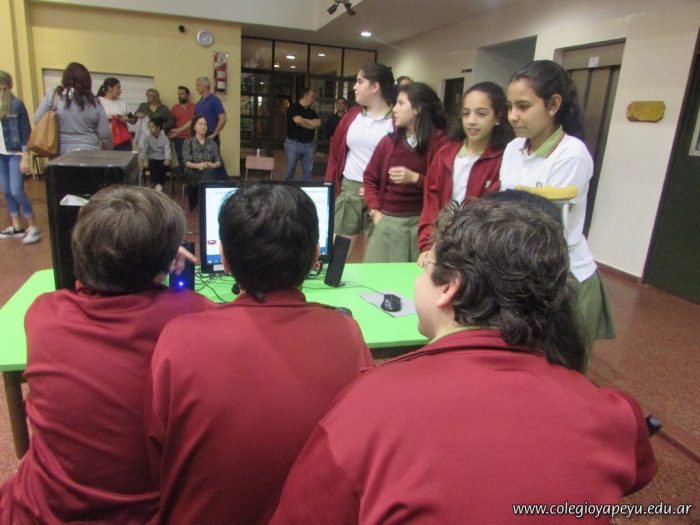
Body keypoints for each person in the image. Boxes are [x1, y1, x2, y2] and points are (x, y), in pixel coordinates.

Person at [270, 194, 657, 524]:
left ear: (449, 288)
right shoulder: (612, 413)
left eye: (427, 267)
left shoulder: (367, 404)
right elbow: (636, 471)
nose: (418, 279)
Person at [147, 183, 374, 524]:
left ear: (224, 258)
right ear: (315, 255)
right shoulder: (347, 334)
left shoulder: (179, 339)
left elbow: (157, 456)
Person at [0, 186, 214, 524]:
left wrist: (156, 262)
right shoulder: (194, 315)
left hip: (37, 510)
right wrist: (167, 271)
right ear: (164, 263)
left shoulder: (44, 314)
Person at [500, 59, 615, 358]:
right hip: (527, 272)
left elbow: (544, 228)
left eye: (523, 106)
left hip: (565, 279)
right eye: (510, 106)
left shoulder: (571, 154)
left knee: (562, 369)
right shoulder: (513, 148)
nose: (513, 116)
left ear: (553, 105)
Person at [417, 81, 514, 264]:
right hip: (440, 247)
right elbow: (431, 204)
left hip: (479, 253)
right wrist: (429, 246)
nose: (472, 120)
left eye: (481, 113)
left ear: (497, 117)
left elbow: (493, 214)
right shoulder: (445, 154)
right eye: (466, 113)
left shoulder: (503, 159)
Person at [363, 82, 447, 262]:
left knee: (414, 275)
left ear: (417, 109)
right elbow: (369, 178)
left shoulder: (440, 143)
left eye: (401, 103)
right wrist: (375, 211)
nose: (394, 109)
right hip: (387, 222)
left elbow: (444, 187)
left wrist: (416, 178)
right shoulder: (388, 143)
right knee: (375, 273)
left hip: (421, 225)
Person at [325, 63, 395, 255]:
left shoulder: (396, 121)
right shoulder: (351, 116)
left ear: (375, 87)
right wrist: (330, 186)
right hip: (349, 191)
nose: (355, 87)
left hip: (381, 197)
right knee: (337, 255)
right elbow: (335, 154)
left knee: (377, 257)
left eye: (360, 81)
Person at [34, 62, 112, 155]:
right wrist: (110, 151)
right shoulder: (95, 102)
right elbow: (105, 135)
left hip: (61, 152)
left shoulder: (54, 97)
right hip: (90, 152)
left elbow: (37, 119)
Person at [0, 71, 41, 244]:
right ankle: (17, 226)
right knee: (7, 191)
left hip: (15, 154)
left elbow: (25, 131)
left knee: (17, 190)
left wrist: (25, 156)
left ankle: (33, 227)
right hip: (1, 155)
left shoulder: (16, 104)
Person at [182, 115, 223, 210]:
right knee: (209, 175)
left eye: (205, 124)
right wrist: (198, 165)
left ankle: (201, 203)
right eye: (200, 124)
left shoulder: (212, 143)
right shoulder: (188, 142)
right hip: (192, 172)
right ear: (195, 127)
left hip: (208, 171)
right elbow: (186, 162)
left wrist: (213, 165)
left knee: (209, 172)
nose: (204, 126)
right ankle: (206, 203)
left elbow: (219, 161)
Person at [284, 87, 321, 181]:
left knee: (307, 174)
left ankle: (305, 190)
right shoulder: (293, 107)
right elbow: (298, 121)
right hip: (293, 144)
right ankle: (289, 190)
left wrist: (302, 121)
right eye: (312, 97)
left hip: (309, 145)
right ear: (305, 96)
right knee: (290, 172)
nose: (313, 99)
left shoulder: (312, 111)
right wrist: (309, 124)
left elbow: (318, 123)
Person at [97, 77, 135, 151]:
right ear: (110, 88)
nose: (120, 91)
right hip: (104, 141)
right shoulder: (98, 101)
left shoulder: (122, 103)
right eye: (118, 88)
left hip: (122, 140)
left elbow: (132, 115)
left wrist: (126, 117)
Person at [168, 85, 195, 177]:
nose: (180, 96)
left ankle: (191, 177)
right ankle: (184, 178)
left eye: (182, 94)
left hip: (192, 138)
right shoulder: (174, 108)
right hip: (179, 138)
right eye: (179, 94)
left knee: (191, 158)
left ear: (187, 95)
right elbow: (171, 122)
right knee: (181, 158)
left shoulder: (194, 107)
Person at [140, 117, 171, 191]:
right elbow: (144, 150)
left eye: (152, 126)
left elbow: (167, 149)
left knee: (162, 166)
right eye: (149, 127)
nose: (150, 129)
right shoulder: (147, 139)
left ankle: (157, 184)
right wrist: (141, 160)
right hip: (152, 158)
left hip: (162, 159)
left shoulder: (165, 139)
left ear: (158, 128)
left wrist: (168, 159)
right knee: (153, 164)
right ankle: (157, 184)